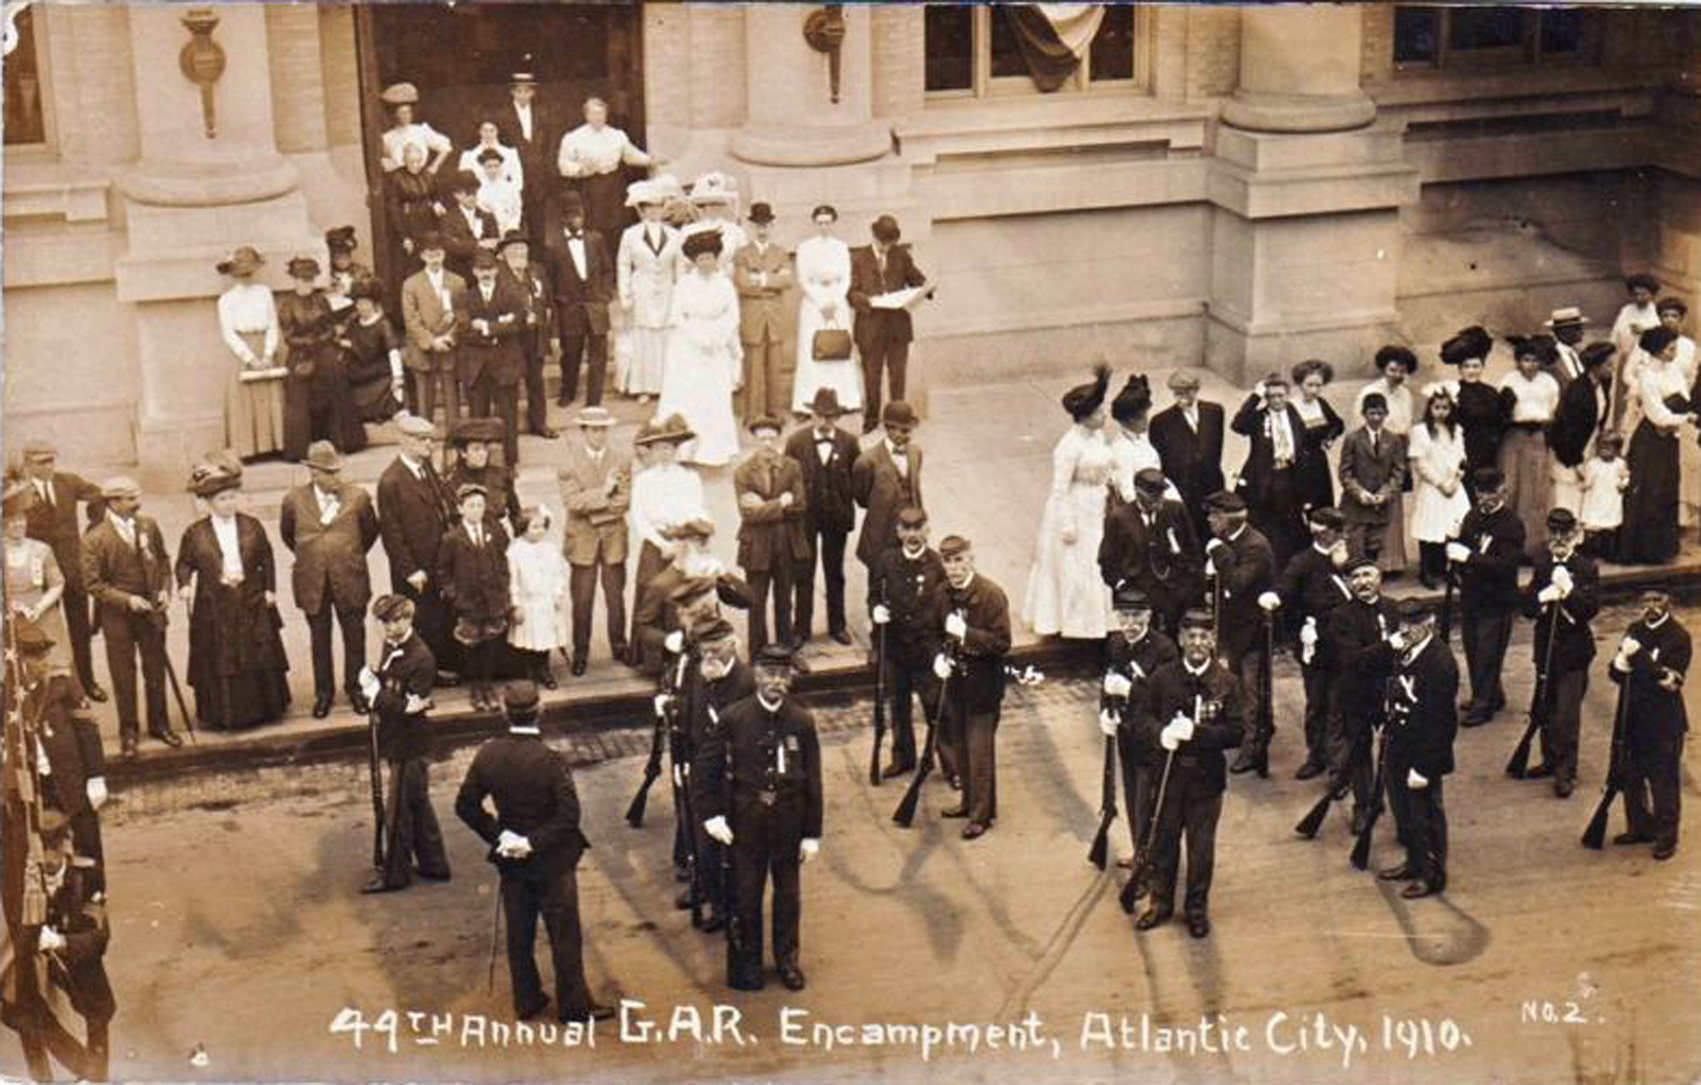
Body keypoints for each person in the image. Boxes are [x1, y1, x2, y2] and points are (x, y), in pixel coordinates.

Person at [455, 680, 614, 1022]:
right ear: (541, 711)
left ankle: (526, 1000)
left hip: (511, 862)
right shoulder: (550, 760)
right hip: (553, 862)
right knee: (564, 936)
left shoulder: (488, 754)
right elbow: (568, 817)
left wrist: (501, 837)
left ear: (503, 712)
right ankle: (574, 1007)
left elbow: (466, 806)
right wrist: (533, 842)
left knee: (519, 933)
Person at [696, 645, 823, 992]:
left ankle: (787, 961)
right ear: (756, 675)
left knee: (788, 898)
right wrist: (712, 816)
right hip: (745, 828)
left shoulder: (801, 721)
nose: (775, 683)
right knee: (746, 898)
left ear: (791, 679)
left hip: (788, 827)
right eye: (769, 674)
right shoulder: (733, 718)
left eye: (783, 676)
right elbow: (705, 771)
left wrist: (812, 834)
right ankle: (748, 964)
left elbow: (813, 780)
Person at [1132, 608, 1245, 938]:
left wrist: (1198, 735)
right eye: (1191, 637)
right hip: (1167, 778)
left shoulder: (1226, 682)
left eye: (1203, 637)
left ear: (1212, 641)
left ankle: (1196, 908)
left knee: (1201, 850)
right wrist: (1161, 734)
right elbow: (1141, 718)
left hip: (1205, 783)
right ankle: (1160, 903)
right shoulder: (1162, 678)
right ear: (1181, 640)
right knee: (1163, 845)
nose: (1197, 643)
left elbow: (1237, 730)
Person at [174, 459, 290, 731]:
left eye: (231, 498)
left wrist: (270, 589)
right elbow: (184, 563)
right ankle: (224, 715)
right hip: (215, 604)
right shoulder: (195, 533)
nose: (229, 503)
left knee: (257, 652)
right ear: (209, 503)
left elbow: (267, 557)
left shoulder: (252, 526)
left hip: (250, 599)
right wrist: (184, 585)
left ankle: (265, 710)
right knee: (221, 658)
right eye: (222, 499)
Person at [1, 808, 115, 1084]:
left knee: (97, 1011)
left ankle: (94, 1076)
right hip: (38, 965)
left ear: (66, 843)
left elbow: (99, 936)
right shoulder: (26, 877)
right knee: (20, 1006)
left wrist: (60, 941)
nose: (47, 860)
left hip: (76, 963)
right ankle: (54, 1076)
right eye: (42, 851)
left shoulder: (85, 875)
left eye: (53, 849)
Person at [80, 477, 181, 757]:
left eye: (136, 497)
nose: (137, 503)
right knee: (123, 674)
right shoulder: (95, 538)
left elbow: (163, 561)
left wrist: (163, 590)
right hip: (117, 618)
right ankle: (129, 731)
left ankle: (159, 724)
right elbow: (93, 585)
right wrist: (127, 601)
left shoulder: (148, 525)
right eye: (130, 498)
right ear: (113, 503)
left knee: (155, 669)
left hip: (151, 612)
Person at [358, 594, 452, 893]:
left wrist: (373, 694)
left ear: (407, 620)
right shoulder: (393, 645)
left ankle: (394, 875)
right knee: (418, 804)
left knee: (397, 812)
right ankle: (434, 864)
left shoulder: (422, 658)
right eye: (384, 622)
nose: (387, 628)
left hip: (409, 743)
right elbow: (392, 682)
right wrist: (377, 677)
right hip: (398, 737)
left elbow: (409, 708)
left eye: (394, 621)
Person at [280, 441, 378, 719]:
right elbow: (289, 536)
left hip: (350, 578)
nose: (335, 478)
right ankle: (323, 693)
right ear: (313, 473)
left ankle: (356, 689)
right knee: (319, 640)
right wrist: (315, 558)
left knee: (354, 636)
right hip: (313, 582)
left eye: (337, 471)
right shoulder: (294, 500)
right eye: (328, 472)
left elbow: (370, 532)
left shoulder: (357, 497)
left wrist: (347, 556)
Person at [14, 622, 109, 888]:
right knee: (43, 844)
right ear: (20, 660)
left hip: (71, 774)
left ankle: (93, 897)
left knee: (85, 836)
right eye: (35, 657)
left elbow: (88, 729)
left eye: (44, 655)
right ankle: (54, 903)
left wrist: (96, 776)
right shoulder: (10, 695)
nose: (43, 662)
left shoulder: (62, 682)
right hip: (35, 780)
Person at [1024, 366, 1115, 640]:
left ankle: (1098, 622)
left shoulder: (1097, 437)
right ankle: (1074, 623)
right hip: (1076, 506)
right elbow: (1059, 489)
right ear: (1085, 417)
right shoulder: (1068, 446)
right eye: (1098, 412)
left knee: (1099, 559)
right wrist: (1067, 523)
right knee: (1078, 565)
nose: (1104, 416)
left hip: (1098, 502)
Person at [1375, 599, 1458, 898]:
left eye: (1414, 625)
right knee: (1405, 813)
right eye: (1404, 624)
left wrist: (1425, 766)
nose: (1407, 630)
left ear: (1430, 624)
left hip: (1423, 752)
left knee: (1426, 815)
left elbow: (1442, 722)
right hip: (1400, 743)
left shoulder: (1439, 662)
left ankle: (1432, 873)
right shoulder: (1407, 651)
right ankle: (1414, 861)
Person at [677, 618, 754, 931]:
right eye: (703, 651)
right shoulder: (696, 674)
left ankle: (733, 909)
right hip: (702, 775)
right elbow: (688, 717)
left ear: (732, 645)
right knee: (703, 845)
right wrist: (684, 762)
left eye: (715, 651)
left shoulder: (747, 681)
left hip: (735, 778)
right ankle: (711, 896)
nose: (709, 658)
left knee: (734, 851)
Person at [1264, 507, 1352, 780]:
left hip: (1346, 645)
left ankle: (1340, 767)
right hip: (1314, 643)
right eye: (1322, 530)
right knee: (1316, 703)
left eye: (1334, 531)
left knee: (1340, 706)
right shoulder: (1303, 561)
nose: (1329, 536)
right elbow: (1286, 585)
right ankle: (1317, 755)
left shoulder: (1350, 559)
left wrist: (1346, 566)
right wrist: (1274, 597)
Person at [1099, 586, 1179, 883]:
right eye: (1124, 616)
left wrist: (1131, 690)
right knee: (1133, 798)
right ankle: (1140, 853)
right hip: (1127, 735)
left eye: (1135, 617)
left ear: (1148, 616)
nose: (1129, 624)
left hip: (1153, 739)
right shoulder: (1115, 644)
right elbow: (1106, 681)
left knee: (1149, 803)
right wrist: (1105, 710)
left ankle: (1152, 866)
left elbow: (1168, 696)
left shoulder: (1164, 649)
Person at [934, 535, 1011, 839]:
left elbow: (1002, 642)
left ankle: (982, 814)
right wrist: (938, 656)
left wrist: (967, 634)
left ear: (971, 559)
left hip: (983, 686)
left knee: (980, 753)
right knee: (961, 748)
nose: (953, 568)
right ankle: (968, 802)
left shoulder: (990, 595)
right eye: (948, 561)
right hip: (956, 684)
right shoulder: (942, 594)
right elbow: (932, 631)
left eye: (958, 560)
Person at [16, 440, 106, 702]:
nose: (49, 466)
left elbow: (99, 495)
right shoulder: (19, 491)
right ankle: (48, 686)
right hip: (39, 574)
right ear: (28, 464)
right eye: (42, 461)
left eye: (52, 460)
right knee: (44, 629)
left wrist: (94, 526)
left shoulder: (67, 482)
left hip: (72, 568)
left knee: (80, 629)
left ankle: (87, 683)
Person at [1519, 509, 1598, 798]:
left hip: (1574, 654)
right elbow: (1527, 608)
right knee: (1544, 707)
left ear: (1574, 536)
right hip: (1546, 650)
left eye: (1565, 534)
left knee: (1566, 715)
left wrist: (1568, 590)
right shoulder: (1541, 565)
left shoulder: (1586, 568)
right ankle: (1549, 760)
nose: (1559, 540)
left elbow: (1589, 609)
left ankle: (1566, 771)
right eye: (1554, 534)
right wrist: (1540, 597)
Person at [1606, 588, 1689, 861]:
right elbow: (1618, 675)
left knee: (1663, 782)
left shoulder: (1678, 637)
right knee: (1631, 776)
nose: (1651, 606)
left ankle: (1667, 836)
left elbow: (1671, 683)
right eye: (1646, 601)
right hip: (1632, 716)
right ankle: (1640, 827)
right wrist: (1618, 665)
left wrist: (1639, 658)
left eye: (1658, 600)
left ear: (1669, 603)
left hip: (1663, 722)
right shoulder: (1634, 629)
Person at [867, 507, 947, 780]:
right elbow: (874, 595)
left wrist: (942, 652)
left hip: (927, 651)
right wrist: (876, 611)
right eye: (907, 529)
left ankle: (951, 763)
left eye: (918, 528)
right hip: (896, 649)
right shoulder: (886, 561)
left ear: (927, 530)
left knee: (936, 707)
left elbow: (947, 607)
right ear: (898, 531)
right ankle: (903, 758)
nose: (912, 534)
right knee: (898, 706)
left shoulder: (938, 564)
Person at [1321, 557, 1398, 834]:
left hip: (1390, 691)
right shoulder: (1342, 616)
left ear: (1380, 578)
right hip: (1358, 693)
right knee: (1359, 753)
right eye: (1355, 577)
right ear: (1348, 584)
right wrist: (1388, 647)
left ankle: (1395, 803)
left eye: (1368, 575)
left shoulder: (1392, 608)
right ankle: (1363, 807)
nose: (1363, 582)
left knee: (1396, 751)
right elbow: (1351, 658)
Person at [377, 414, 457, 679]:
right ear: (404, 441)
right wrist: (410, 570)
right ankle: (419, 678)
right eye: (422, 440)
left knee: (436, 618)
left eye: (430, 439)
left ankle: (436, 667)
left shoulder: (426, 468)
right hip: (415, 569)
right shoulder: (391, 481)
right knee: (417, 623)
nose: (429, 445)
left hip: (435, 561)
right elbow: (391, 533)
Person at [1202, 492, 1275, 776]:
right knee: (1240, 687)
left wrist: (1219, 554)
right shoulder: (1232, 541)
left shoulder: (1255, 546)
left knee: (1251, 691)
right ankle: (1256, 730)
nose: (1209, 520)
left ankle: (1253, 747)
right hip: (1233, 630)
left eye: (1213, 516)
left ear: (1227, 519)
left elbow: (1236, 583)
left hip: (1253, 632)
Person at [1446, 467, 1524, 727]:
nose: (1485, 498)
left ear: (1503, 490)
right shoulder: (1472, 516)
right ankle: (1492, 694)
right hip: (1472, 596)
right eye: (1481, 493)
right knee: (1473, 648)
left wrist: (1468, 557)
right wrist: (1454, 542)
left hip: (1497, 600)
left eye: (1491, 492)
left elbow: (1505, 565)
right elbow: (1463, 551)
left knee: (1488, 652)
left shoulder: (1512, 524)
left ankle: (1483, 704)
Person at [658, 228, 743, 467]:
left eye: (710, 257)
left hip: (717, 346)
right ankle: (685, 448)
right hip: (688, 346)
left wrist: (719, 337)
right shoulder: (684, 284)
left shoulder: (725, 284)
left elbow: (733, 315)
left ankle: (714, 448)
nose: (706, 262)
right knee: (689, 395)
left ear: (717, 258)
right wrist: (698, 338)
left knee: (714, 396)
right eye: (701, 258)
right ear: (694, 261)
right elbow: (677, 316)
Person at [557, 407, 632, 675]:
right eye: (593, 429)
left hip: (613, 541)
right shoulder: (569, 462)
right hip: (582, 543)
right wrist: (605, 492)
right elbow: (572, 502)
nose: (599, 435)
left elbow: (624, 502)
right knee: (582, 600)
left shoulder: (621, 459)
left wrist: (595, 505)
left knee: (615, 598)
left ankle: (619, 645)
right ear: (584, 431)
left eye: (602, 429)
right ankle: (581, 651)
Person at [627, 415, 707, 663]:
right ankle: (651, 658)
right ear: (651, 451)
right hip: (655, 544)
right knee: (652, 594)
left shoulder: (689, 478)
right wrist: (661, 543)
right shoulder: (643, 480)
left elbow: (696, 509)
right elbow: (639, 517)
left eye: (669, 448)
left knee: (684, 596)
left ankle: (686, 653)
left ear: (676, 450)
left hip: (683, 543)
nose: (664, 453)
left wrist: (684, 537)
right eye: (659, 448)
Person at [784, 389, 861, 646]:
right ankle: (801, 629)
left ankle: (837, 625)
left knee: (835, 571)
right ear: (812, 415)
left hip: (836, 517)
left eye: (831, 417)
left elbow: (856, 478)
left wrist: (847, 501)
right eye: (821, 416)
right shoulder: (796, 442)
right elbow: (787, 478)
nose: (826, 422)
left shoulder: (849, 442)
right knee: (804, 571)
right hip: (806, 518)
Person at [1620, 326, 1696, 565]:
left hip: (1669, 439)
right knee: (1649, 492)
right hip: (1650, 440)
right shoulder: (1647, 376)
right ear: (1658, 350)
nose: (1674, 352)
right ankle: (1644, 549)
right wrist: (1685, 418)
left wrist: (1682, 412)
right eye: (1671, 348)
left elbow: (1683, 397)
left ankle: (1663, 548)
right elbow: (1657, 415)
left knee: (1666, 489)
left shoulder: (1672, 370)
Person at [734, 415, 809, 652]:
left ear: (778, 438)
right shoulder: (743, 472)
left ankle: (785, 651)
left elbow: (799, 507)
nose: (767, 443)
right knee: (755, 602)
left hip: (786, 544)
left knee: (785, 601)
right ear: (754, 440)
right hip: (756, 547)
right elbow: (748, 515)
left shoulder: (792, 466)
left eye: (771, 438)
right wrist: (780, 503)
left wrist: (764, 506)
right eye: (761, 438)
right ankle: (757, 654)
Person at [848, 215, 929, 434]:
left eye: (889, 243)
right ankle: (872, 418)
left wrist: (926, 287)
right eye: (882, 242)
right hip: (870, 326)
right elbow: (851, 292)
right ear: (874, 236)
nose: (885, 247)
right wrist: (866, 302)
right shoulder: (858, 258)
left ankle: (897, 419)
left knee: (898, 375)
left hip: (897, 328)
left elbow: (916, 278)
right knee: (872, 377)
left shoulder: (901, 255)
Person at [1099, 468, 1201, 638]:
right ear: (1138, 494)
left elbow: (1193, 551)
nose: (1160, 500)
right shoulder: (1119, 518)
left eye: (1162, 494)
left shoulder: (1176, 510)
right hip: (1138, 592)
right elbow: (1107, 560)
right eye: (1154, 496)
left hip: (1174, 591)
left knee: (1175, 639)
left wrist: (1189, 584)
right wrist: (1122, 586)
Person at [438, 483, 512, 712]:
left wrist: (503, 588)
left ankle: (488, 686)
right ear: (460, 509)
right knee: (471, 645)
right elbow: (443, 571)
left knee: (490, 643)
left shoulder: (494, 532)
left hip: (492, 600)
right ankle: (476, 688)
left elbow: (503, 561)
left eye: (480, 505)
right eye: (471, 505)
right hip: (468, 603)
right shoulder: (452, 538)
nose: (476, 510)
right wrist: (455, 596)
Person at [278, 255, 360, 460]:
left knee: (336, 382)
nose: (306, 284)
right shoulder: (287, 304)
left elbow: (330, 326)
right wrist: (309, 343)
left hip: (324, 349)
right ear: (294, 280)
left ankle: (344, 441)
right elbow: (289, 336)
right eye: (302, 279)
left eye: (310, 279)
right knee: (299, 398)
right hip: (301, 354)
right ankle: (300, 449)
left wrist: (322, 340)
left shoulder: (321, 299)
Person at [1231, 373, 1311, 569]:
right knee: (1264, 523)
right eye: (1271, 396)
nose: (1276, 400)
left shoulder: (1292, 413)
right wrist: (1255, 397)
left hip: (1290, 476)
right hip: (1265, 479)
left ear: (1287, 396)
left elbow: (1303, 441)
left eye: (1281, 395)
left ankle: (1288, 565)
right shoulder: (1259, 418)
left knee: (1291, 523)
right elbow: (1238, 425)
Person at [457, 250, 528, 468]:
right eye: (481, 269)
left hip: (506, 364)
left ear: (496, 270)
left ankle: (509, 461)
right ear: (474, 272)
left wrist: (486, 327)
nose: (485, 273)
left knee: (508, 415)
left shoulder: (511, 294)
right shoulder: (465, 297)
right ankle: (480, 462)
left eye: (489, 269)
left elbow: (518, 324)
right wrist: (499, 327)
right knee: (478, 418)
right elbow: (464, 330)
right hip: (476, 366)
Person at [215, 245, 286, 459]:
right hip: (243, 351)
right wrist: (250, 358)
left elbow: (273, 323)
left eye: (248, 273)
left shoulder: (263, 293)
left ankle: (274, 445)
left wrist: (267, 353)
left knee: (270, 396)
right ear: (232, 274)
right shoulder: (226, 300)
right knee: (245, 400)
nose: (245, 278)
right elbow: (228, 333)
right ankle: (248, 449)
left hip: (264, 346)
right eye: (240, 274)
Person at [545, 190, 614, 408]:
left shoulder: (596, 239)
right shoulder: (554, 246)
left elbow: (607, 270)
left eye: (579, 215)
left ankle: (594, 400)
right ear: (563, 219)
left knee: (598, 357)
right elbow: (551, 280)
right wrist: (558, 303)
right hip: (570, 309)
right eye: (571, 215)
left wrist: (604, 296)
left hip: (595, 306)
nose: (576, 219)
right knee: (571, 355)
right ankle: (568, 392)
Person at [557, 96, 654, 251]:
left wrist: (651, 161)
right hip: (589, 185)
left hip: (613, 185)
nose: (598, 117)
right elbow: (563, 164)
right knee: (593, 226)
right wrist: (580, 170)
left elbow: (630, 155)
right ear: (586, 115)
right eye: (593, 114)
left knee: (617, 225)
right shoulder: (574, 137)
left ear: (606, 114)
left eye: (601, 113)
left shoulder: (617, 135)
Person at [791, 204, 861, 417]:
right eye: (820, 223)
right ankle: (809, 400)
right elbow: (802, 279)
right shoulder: (805, 247)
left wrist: (834, 301)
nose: (824, 227)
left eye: (827, 223)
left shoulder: (841, 247)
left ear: (833, 223)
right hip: (814, 303)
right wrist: (821, 302)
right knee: (812, 349)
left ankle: (844, 399)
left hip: (837, 301)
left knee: (838, 347)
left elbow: (846, 277)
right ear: (814, 223)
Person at [5, 487, 77, 690]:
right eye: (12, 521)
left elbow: (57, 583)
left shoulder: (41, 549)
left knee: (55, 673)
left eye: (21, 520)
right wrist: (12, 607)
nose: (19, 525)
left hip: (42, 615)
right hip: (10, 616)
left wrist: (40, 607)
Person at [1496, 335, 1562, 559]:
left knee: (1535, 491)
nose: (1530, 365)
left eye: (1535, 360)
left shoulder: (1548, 382)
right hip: (1515, 435)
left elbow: (1552, 408)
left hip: (1538, 436)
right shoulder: (1509, 380)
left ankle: (1531, 546)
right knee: (1512, 487)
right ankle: (1507, 545)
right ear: (1518, 361)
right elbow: (1503, 409)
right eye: (1525, 359)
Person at [616, 181, 681, 400]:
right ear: (642, 210)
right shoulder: (630, 234)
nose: (655, 211)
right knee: (642, 337)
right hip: (641, 289)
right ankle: (643, 386)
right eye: (650, 207)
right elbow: (623, 264)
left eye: (658, 206)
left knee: (665, 336)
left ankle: (665, 386)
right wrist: (624, 293)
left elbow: (679, 268)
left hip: (666, 291)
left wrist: (680, 296)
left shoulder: (674, 235)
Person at [733, 202, 795, 424]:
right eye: (758, 226)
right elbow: (742, 284)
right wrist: (771, 280)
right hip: (752, 316)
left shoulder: (781, 252)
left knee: (775, 368)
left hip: (776, 317)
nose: (762, 230)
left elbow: (787, 280)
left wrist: (759, 278)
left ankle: (775, 412)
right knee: (753, 367)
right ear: (751, 227)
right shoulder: (742, 253)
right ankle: (752, 414)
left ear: (772, 225)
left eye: (766, 225)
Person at [1148, 371, 1226, 543]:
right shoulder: (1161, 421)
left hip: (1211, 485)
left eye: (1184, 392)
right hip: (1184, 487)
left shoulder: (1214, 412)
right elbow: (1161, 459)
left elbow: (1216, 449)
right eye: (1176, 392)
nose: (1179, 397)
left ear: (1195, 390)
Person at [399, 232, 466, 425]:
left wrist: (449, 338)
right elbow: (410, 319)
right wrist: (431, 341)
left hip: (448, 347)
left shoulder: (457, 282)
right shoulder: (411, 284)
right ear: (422, 256)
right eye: (430, 255)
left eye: (437, 254)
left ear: (444, 254)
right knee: (424, 403)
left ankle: (455, 443)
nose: (434, 259)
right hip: (423, 349)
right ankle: (424, 443)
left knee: (452, 401)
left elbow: (462, 314)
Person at [497, 231, 558, 439]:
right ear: (504, 254)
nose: (519, 253)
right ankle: (508, 430)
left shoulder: (536, 270)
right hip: (512, 338)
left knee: (536, 382)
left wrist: (550, 331)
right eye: (513, 250)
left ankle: (539, 423)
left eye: (522, 249)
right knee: (510, 386)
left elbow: (548, 300)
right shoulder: (497, 275)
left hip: (535, 336)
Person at [1339, 393, 1407, 575]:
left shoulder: (1394, 440)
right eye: (1371, 413)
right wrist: (1359, 492)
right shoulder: (1353, 439)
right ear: (1364, 414)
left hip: (1381, 504)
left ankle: (1372, 577)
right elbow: (1345, 472)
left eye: (1380, 413)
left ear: (1386, 414)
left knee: (1376, 544)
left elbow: (1398, 471)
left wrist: (1385, 493)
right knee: (1356, 545)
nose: (1376, 418)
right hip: (1357, 503)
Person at [853, 400, 924, 574]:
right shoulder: (867, 461)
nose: (904, 435)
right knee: (879, 582)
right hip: (881, 532)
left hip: (911, 530)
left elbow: (914, 486)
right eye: (899, 430)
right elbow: (862, 498)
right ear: (888, 428)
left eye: (908, 430)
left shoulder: (915, 453)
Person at [1407, 388, 1470, 588]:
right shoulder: (1421, 431)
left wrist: (1456, 480)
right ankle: (1428, 570)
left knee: (1455, 526)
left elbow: (1461, 457)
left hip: (1454, 485)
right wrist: (1441, 483)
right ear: (1430, 408)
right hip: (1434, 486)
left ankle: (1452, 570)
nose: (1441, 412)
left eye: (1445, 408)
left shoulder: (1456, 430)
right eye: (1437, 407)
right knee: (1431, 528)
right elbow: (1420, 463)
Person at [1433, 326, 1505, 499]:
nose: (1471, 371)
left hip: (1487, 453)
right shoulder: (1452, 392)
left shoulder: (1491, 393)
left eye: (1476, 366)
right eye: (1466, 367)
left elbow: (1498, 424)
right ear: (1460, 369)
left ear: (1482, 367)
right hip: (1463, 451)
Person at [1547, 341, 1617, 515]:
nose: (1612, 368)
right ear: (1596, 366)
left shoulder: (1602, 385)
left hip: (1589, 445)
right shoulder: (1578, 390)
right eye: (1609, 364)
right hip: (1569, 452)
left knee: (1585, 499)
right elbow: (1565, 430)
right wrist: (1576, 462)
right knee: (1568, 497)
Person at [506, 506, 570, 690]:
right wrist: (516, 604)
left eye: (542, 526)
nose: (540, 531)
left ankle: (544, 669)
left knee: (545, 638)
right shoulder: (516, 550)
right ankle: (529, 672)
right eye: (534, 527)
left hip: (546, 602)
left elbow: (558, 573)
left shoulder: (549, 548)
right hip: (528, 603)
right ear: (524, 527)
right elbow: (513, 580)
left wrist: (558, 593)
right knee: (529, 638)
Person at [334, 277, 406, 435]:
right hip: (359, 371)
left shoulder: (383, 324)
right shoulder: (353, 323)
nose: (362, 307)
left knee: (390, 393)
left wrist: (398, 377)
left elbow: (393, 351)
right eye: (359, 303)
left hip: (378, 372)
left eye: (366, 303)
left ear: (374, 303)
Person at [444, 418, 522, 537]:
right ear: (463, 453)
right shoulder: (452, 483)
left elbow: (515, 512)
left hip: (500, 538)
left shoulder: (501, 476)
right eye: (476, 449)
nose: (482, 454)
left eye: (485, 449)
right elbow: (452, 521)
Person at [383, 142, 445, 292]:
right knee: (410, 265)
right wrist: (404, 236)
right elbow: (394, 208)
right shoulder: (396, 177)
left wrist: (437, 202)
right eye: (412, 161)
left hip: (429, 222)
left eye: (419, 161)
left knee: (429, 257)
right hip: (408, 223)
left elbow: (437, 193)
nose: (416, 165)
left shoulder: (428, 175)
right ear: (404, 160)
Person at [499, 73, 554, 240]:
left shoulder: (543, 114)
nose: (523, 95)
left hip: (537, 178)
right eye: (519, 91)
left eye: (527, 91)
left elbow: (547, 145)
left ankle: (538, 261)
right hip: (513, 178)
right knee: (514, 223)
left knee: (538, 224)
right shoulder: (503, 116)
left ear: (533, 93)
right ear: (512, 93)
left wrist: (541, 170)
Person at [1105, 374, 1171, 508]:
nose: (1147, 420)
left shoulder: (1141, 438)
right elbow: (1128, 493)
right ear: (1130, 420)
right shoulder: (1121, 450)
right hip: (1148, 505)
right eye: (1142, 417)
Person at [1290, 360, 1345, 514]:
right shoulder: (1290, 407)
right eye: (1310, 385)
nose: (1314, 390)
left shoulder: (1321, 403)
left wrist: (1329, 439)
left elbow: (1338, 424)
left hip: (1318, 463)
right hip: (1297, 466)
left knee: (1321, 507)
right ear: (1300, 384)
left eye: (1318, 386)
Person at [1610, 273, 1662, 429]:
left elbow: (1660, 337)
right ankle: (1620, 430)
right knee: (1621, 400)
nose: (1639, 298)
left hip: (1644, 363)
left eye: (1643, 294)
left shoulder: (1656, 314)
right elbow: (1615, 334)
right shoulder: (1626, 310)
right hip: (1624, 359)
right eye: (1635, 294)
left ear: (1652, 294)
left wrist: (1645, 332)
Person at [441, 170, 501, 284]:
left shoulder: (487, 217)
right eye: (467, 193)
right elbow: (451, 247)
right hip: (459, 274)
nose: (472, 197)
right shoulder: (447, 219)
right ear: (457, 195)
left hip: (484, 274)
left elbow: (494, 244)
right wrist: (479, 244)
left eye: (474, 193)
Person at [378, 82, 452, 174]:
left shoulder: (420, 131)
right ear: (395, 115)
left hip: (422, 181)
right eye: (402, 113)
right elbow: (382, 161)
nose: (406, 116)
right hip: (399, 182)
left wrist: (434, 167)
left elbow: (445, 147)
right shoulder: (387, 138)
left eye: (408, 112)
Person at [1579, 431, 1630, 560]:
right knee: (1593, 524)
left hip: (1611, 497)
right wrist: (1584, 485)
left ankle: (1608, 551)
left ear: (1617, 449)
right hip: (1596, 497)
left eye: (1609, 448)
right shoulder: (1593, 464)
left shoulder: (1620, 464)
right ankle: (1590, 551)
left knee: (1610, 525)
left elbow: (1625, 477)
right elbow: (1588, 481)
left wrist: (1623, 484)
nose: (1605, 451)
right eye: (1602, 447)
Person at [1354, 346, 1416, 437]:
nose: (1397, 375)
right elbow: (1360, 424)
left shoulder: (1406, 394)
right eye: (1392, 370)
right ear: (1383, 369)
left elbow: (1408, 424)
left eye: (1402, 371)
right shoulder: (1369, 392)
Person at [459, 119, 524, 195]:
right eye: (485, 131)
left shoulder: (510, 153)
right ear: (480, 132)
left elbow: (517, 180)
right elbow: (464, 181)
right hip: (479, 196)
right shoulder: (469, 155)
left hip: (504, 195)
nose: (488, 134)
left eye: (492, 130)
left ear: (497, 131)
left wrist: (509, 193)